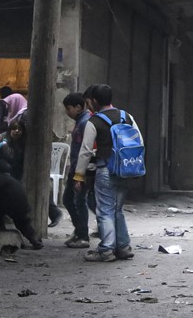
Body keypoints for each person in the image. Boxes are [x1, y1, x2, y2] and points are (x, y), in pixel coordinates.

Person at [74, 84, 140, 262]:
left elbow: (86, 151)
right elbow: (138, 141)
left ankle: (106, 250)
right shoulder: (127, 116)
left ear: (94, 101)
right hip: (125, 170)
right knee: (118, 210)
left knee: (105, 211)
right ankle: (123, 247)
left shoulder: (94, 121)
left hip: (105, 170)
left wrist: (78, 175)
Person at [0, 120, 64, 227]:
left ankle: (54, 213)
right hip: (7, 176)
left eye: (20, 129)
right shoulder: (3, 145)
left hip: (24, 174)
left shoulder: (26, 145)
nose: (17, 131)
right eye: (14, 129)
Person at [0, 159, 43, 250]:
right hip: (22, 207)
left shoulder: (0, 179)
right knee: (23, 223)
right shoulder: (13, 180)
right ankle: (34, 240)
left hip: (11, 206)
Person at [62, 93, 92, 248]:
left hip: (80, 169)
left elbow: (83, 150)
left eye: (69, 109)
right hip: (76, 168)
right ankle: (79, 231)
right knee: (69, 199)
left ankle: (83, 235)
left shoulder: (84, 123)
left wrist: (79, 174)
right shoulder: (81, 121)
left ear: (78, 107)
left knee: (79, 201)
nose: (67, 112)